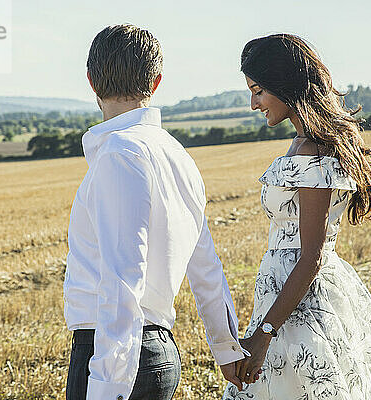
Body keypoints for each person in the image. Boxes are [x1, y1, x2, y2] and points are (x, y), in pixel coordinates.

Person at [222, 34, 371, 399]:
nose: (254, 104)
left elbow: (310, 256)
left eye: (258, 91)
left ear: (285, 85)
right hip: (282, 294)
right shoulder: (300, 144)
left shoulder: (312, 151)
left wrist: (264, 335)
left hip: (302, 302)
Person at [63, 24, 246, 400]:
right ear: (157, 81)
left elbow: (122, 281)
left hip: (116, 359)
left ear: (91, 80)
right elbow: (206, 265)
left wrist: (108, 390)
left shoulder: (119, 155)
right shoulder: (178, 156)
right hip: (156, 353)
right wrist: (226, 349)